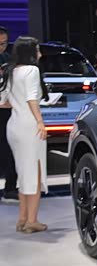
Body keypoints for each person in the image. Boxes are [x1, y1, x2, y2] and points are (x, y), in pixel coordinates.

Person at [0, 36, 48, 233]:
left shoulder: (10, 71)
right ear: (30, 52)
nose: (40, 54)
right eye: (37, 50)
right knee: (34, 174)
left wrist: (18, 103)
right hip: (29, 126)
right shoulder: (32, 70)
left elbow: (3, 102)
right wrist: (40, 121)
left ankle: (22, 219)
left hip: (14, 126)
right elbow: (31, 99)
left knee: (23, 173)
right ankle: (32, 221)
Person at [0, 26, 18, 201]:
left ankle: (10, 188)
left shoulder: (8, 59)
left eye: (4, 44)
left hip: (7, 111)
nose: (1, 47)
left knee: (9, 149)